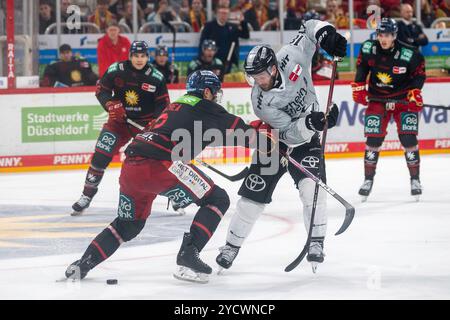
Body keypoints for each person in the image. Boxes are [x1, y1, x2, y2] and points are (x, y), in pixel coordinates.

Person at [65, 70, 269, 283]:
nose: (216, 97)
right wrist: (271, 144)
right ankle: (189, 253)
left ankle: (83, 264)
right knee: (217, 199)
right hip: (161, 165)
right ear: (207, 92)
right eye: (215, 92)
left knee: (128, 225)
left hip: (131, 167)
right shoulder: (208, 107)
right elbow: (246, 135)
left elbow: (212, 136)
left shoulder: (176, 105)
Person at [216, 20, 347, 272]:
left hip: (306, 140)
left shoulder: (291, 55)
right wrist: (311, 122)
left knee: (312, 189)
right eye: (253, 77)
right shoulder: (260, 101)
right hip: (274, 142)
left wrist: (327, 35)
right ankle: (231, 246)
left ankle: (316, 242)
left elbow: (308, 28)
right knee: (251, 197)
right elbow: (287, 132)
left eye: (262, 75)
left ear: (275, 67)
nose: (258, 81)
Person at [71, 41, 170, 215]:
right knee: (101, 155)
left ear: (148, 57)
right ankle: (86, 195)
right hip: (118, 123)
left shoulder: (157, 77)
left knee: (161, 160)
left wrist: (155, 123)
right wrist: (110, 104)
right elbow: (101, 90)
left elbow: (163, 104)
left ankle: (174, 196)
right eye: (136, 56)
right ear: (130, 56)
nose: (139, 59)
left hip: (144, 125)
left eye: (143, 56)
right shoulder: (116, 70)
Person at [351, 18, 426, 201]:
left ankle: (415, 180)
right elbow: (361, 67)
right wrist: (359, 85)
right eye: (381, 34)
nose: (384, 38)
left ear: (394, 35)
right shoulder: (369, 48)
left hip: (403, 99)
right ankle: (367, 180)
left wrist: (415, 91)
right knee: (373, 139)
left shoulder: (409, 53)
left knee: (408, 137)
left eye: (388, 35)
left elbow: (419, 74)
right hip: (378, 98)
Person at [199, 5, 250, 74]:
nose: (223, 15)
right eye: (221, 13)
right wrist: (202, 59)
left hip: (229, 61)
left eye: (225, 13)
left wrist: (243, 22)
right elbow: (202, 42)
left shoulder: (232, 27)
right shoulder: (209, 26)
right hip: (212, 61)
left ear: (228, 15)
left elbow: (246, 35)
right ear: (217, 14)